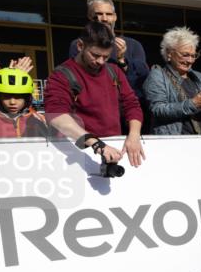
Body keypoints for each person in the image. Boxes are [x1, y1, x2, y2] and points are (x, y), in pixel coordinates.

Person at [46, 21, 145, 169]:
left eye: (105, 57)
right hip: (80, 152)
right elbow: (56, 115)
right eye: (95, 55)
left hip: (114, 149)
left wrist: (134, 135)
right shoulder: (62, 75)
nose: (100, 61)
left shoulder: (114, 71)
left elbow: (132, 104)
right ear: (80, 46)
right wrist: (96, 143)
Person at [68, 0, 150, 125]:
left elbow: (142, 82)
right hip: (93, 115)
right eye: (99, 14)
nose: (104, 18)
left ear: (115, 17)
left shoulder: (133, 45)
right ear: (90, 17)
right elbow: (78, 78)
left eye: (108, 14)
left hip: (127, 117)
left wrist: (122, 60)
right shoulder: (79, 45)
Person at [143, 27, 201, 135]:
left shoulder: (200, 78)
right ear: (169, 53)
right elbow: (157, 110)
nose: (190, 60)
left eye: (193, 56)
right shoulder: (158, 76)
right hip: (172, 142)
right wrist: (192, 104)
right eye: (185, 55)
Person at [0, 67, 47, 138]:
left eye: (18, 97)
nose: (12, 102)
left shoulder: (37, 118)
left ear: (27, 98)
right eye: (6, 96)